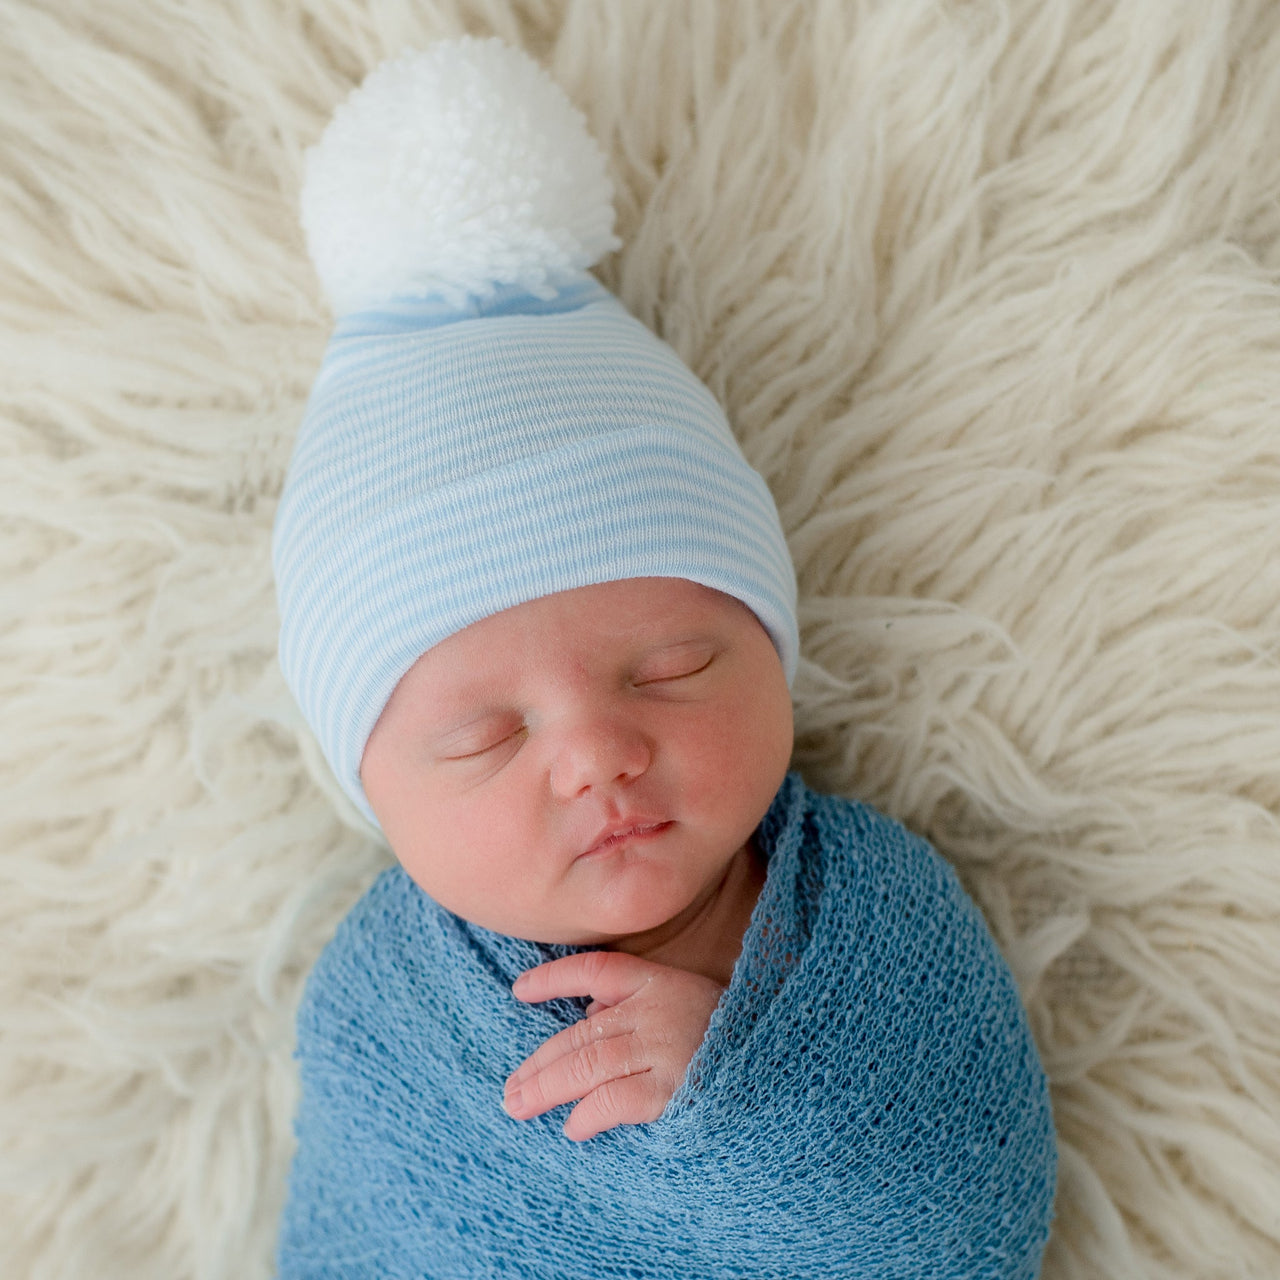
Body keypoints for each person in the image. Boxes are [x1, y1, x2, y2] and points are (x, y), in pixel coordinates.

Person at [273, 36, 1057, 1278]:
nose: (595, 752)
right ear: (376, 790)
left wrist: (749, 1089)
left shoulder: (864, 918)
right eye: (486, 734)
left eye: (671, 668)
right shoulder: (387, 1011)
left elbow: (978, 1211)